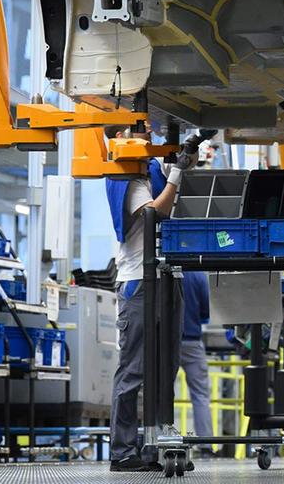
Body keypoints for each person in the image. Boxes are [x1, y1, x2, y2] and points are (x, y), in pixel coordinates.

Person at [105, 126, 199, 472]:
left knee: (165, 369)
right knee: (134, 370)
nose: (146, 135)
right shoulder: (123, 179)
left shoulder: (150, 172)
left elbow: (174, 196)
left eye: (147, 129)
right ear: (119, 139)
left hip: (166, 277)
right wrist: (176, 172)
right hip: (137, 283)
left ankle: (157, 446)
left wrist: (183, 162)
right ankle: (122, 452)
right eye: (137, 129)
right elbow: (155, 213)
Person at [179, 271, 214, 455]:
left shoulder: (163, 270)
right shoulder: (199, 275)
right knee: (200, 395)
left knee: (160, 394)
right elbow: (206, 311)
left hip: (167, 341)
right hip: (192, 340)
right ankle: (206, 444)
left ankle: (159, 438)